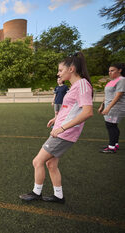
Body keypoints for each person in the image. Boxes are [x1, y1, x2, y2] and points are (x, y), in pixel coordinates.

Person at [19, 52, 93, 204]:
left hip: (64, 134)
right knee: (51, 164)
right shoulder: (75, 86)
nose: (58, 73)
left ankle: (36, 193)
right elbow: (70, 109)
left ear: (71, 69)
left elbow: (87, 112)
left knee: (37, 161)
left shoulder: (82, 85)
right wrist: (56, 118)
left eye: (60, 70)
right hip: (61, 130)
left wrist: (63, 127)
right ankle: (58, 196)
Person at [98, 63, 125, 153]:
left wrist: (108, 108)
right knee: (112, 125)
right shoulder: (111, 81)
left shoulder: (121, 80)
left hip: (115, 108)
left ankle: (111, 147)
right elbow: (107, 95)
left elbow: (118, 96)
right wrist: (102, 105)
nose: (110, 72)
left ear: (119, 70)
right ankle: (114, 144)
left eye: (112, 70)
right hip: (109, 106)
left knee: (111, 126)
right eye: (109, 71)